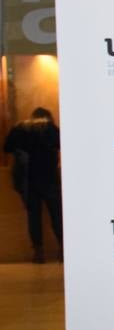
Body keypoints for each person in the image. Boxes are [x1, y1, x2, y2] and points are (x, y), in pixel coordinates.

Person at [4, 107, 62, 263]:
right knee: (56, 214)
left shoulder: (20, 128)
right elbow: (63, 145)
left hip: (28, 180)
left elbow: (7, 147)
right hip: (49, 178)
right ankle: (63, 249)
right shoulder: (50, 128)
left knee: (33, 217)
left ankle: (38, 253)